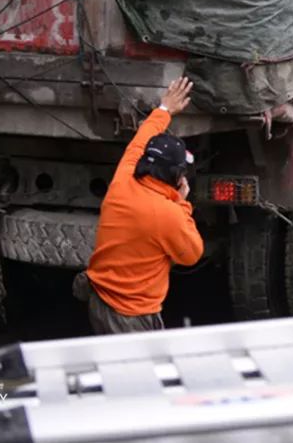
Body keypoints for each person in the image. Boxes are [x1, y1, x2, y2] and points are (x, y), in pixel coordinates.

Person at [83, 76, 204, 334]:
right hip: (130, 317)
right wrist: (182, 204)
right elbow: (192, 254)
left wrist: (165, 109)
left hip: (99, 300)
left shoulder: (124, 177)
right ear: (176, 177)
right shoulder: (168, 215)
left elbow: (142, 138)